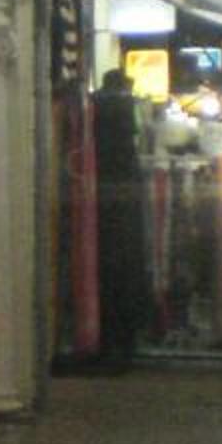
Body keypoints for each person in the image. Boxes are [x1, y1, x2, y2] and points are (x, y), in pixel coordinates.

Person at [92, 66, 153, 369]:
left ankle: (110, 343)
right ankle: (123, 344)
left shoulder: (96, 106)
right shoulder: (124, 107)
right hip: (121, 191)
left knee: (109, 272)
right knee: (124, 270)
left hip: (101, 191)